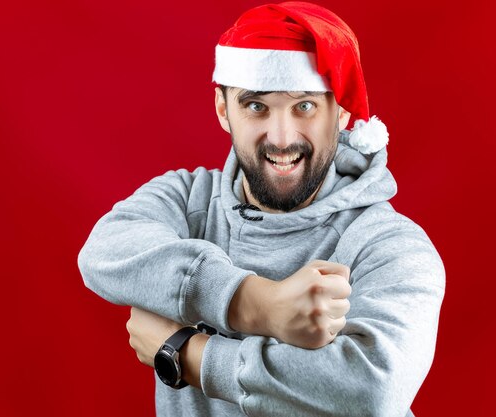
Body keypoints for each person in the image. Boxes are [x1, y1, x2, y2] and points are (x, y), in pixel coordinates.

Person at [77, 2, 445, 416]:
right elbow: (103, 252)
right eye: (257, 106)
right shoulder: (189, 201)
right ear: (222, 109)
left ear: (340, 112)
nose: (282, 137)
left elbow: (372, 388)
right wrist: (261, 305)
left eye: (304, 105)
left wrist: (187, 355)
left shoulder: (388, 245)